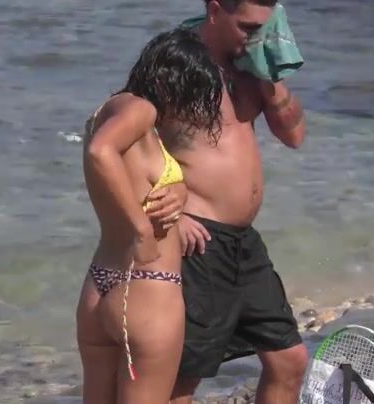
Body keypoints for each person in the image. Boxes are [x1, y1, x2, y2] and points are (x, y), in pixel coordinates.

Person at [147, 1, 310, 403]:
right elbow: (121, 138)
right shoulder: (176, 62)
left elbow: (294, 135)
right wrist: (168, 215)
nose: (256, 37)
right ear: (215, 9)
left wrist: (270, 80)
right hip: (197, 241)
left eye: (263, 28)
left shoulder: (251, 69)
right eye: (247, 27)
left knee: (289, 360)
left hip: (242, 243)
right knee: (183, 376)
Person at [76, 28, 224, 404]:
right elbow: (100, 152)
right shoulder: (141, 109)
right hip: (149, 286)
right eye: (189, 94)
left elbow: (130, 175)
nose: (186, 110)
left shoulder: (109, 110)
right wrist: (141, 230)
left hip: (100, 284)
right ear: (168, 82)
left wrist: (179, 191)